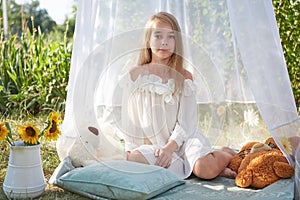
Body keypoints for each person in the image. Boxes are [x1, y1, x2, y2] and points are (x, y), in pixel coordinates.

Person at [120, 11, 236, 179]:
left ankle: (226, 154)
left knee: (205, 169)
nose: (164, 42)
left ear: (177, 42)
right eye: (158, 36)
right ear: (148, 40)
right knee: (132, 160)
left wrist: (169, 148)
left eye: (171, 37)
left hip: (183, 141)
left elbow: (186, 122)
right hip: (154, 146)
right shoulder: (135, 75)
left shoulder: (184, 76)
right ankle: (200, 167)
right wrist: (134, 150)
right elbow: (130, 120)